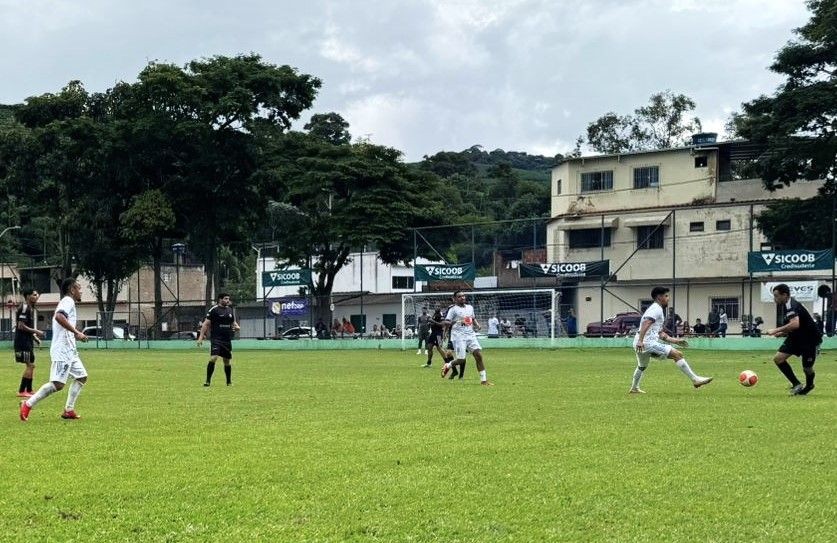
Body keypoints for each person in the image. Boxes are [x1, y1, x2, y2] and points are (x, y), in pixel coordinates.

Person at [20, 278, 89, 421]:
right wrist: (76, 332)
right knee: (58, 384)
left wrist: (74, 335)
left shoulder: (68, 303)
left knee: (81, 376)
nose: (81, 291)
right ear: (71, 289)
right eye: (79, 288)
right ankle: (27, 404)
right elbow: (59, 316)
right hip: (62, 351)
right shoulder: (67, 301)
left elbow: (63, 323)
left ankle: (68, 410)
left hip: (70, 350)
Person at [629, 286, 713, 394]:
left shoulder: (656, 309)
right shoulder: (656, 309)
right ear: (659, 297)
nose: (668, 298)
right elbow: (646, 323)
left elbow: (659, 333)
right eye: (666, 296)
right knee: (677, 354)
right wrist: (641, 340)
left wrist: (675, 341)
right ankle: (695, 379)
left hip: (640, 342)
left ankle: (634, 388)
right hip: (646, 342)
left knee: (641, 366)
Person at [766, 283, 821, 395]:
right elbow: (796, 326)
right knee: (778, 359)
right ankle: (796, 384)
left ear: (785, 295)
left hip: (809, 340)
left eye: (776, 296)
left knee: (807, 368)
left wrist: (775, 330)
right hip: (796, 338)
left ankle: (809, 385)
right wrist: (782, 333)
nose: (775, 298)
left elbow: (795, 324)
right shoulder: (787, 305)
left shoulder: (792, 305)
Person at [442, 291, 492, 385]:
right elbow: (446, 322)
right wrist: (452, 324)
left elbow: (472, 318)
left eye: (463, 296)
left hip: (470, 335)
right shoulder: (453, 309)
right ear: (455, 299)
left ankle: (484, 381)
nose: (462, 298)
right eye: (459, 296)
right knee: (461, 360)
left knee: (478, 355)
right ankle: (448, 365)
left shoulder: (470, 307)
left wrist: (477, 325)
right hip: (458, 336)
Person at [197, 292, 240, 387]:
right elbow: (205, 324)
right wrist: (200, 338)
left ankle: (228, 382)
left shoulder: (230, 310)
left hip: (227, 339)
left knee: (227, 361)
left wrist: (237, 327)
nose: (227, 300)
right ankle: (207, 381)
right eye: (225, 299)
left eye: (228, 299)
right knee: (214, 358)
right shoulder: (214, 310)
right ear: (220, 299)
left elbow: (234, 323)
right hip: (216, 338)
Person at [14, 288, 45, 398]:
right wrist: (36, 331)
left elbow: (25, 327)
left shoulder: (30, 309)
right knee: (30, 365)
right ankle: (22, 391)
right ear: (28, 296)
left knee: (31, 364)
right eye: (34, 295)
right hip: (22, 342)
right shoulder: (25, 308)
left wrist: (35, 338)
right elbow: (20, 326)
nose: (37, 296)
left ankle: (30, 390)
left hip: (27, 340)